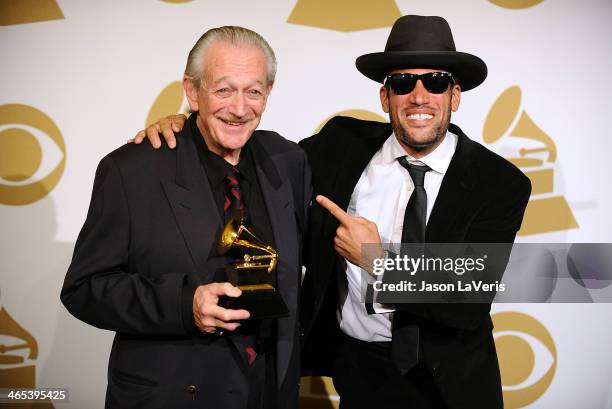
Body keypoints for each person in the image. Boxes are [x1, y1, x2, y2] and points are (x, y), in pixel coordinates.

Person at [135, 15, 531, 409]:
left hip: (452, 385)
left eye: (437, 82)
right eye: (404, 83)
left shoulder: (499, 182)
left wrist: (376, 260)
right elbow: (249, 147)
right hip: (358, 375)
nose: (420, 96)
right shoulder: (341, 145)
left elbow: (469, 296)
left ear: (455, 95)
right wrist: (187, 123)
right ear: (385, 96)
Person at [61, 26, 311, 409]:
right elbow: (84, 289)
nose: (240, 108)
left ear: (269, 93)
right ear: (193, 91)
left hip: (269, 395)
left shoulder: (289, 160)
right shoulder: (133, 170)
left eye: (254, 91)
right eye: (223, 90)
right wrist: (182, 305)